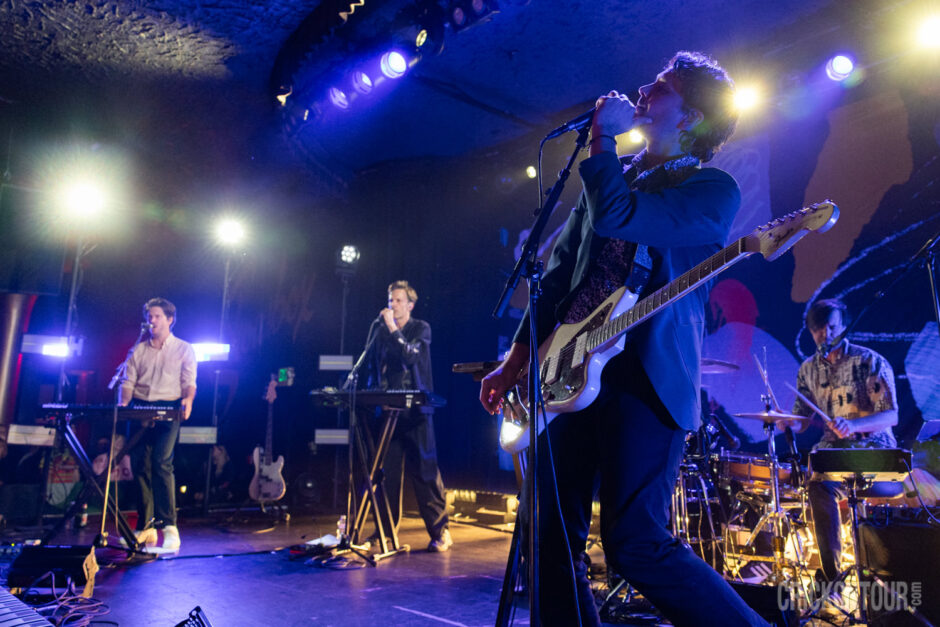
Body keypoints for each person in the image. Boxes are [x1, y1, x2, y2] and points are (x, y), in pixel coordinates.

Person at [480, 51, 769, 626]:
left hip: (645, 381)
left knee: (635, 541)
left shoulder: (713, 189)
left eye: (661, 86)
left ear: (690, 118)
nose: (643, 89)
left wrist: (604, 144)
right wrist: (516, 359)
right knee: (548, 536)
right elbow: (559, 274)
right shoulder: (613, 173)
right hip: (566, 370)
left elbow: (621, 217)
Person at [792, 298, 899, 584]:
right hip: (835, 459)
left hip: (876, 454)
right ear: (811, 332)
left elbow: (891, 415)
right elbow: (800, 421)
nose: (825, 334)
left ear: (843, 325)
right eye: (818, 330)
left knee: (827, 480)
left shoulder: (869, 361)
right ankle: (832, 577)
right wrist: (783, 420)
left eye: (832, 326)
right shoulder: (807, 370)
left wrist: (852, 424)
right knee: (817, 485)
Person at [361, 280, 452, 552]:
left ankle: (440, 531)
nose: (392, 305)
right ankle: (385, 531)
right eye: (391, 300)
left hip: (416, 412)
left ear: (410, 305)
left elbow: (411, 357)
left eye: (398, 300)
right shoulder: (379, 332)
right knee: (385, 474)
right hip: (389, 413)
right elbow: (372, 366)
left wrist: (392, 328)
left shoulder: (420, 329)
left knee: (425, 472)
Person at [119, 297, 196, 552]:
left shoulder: (184, 348)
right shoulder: (138, 349)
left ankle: (170, 527)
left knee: (161, 462)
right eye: (149, 316)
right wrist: (124, 409)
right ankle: (146, 527)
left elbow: (188, 381)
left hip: (168, 408)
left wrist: (188, 399)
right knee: (140, 465)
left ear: (170, 319)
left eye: (156, 316)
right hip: (140, 407)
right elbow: (128, 383)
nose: (151, 320)